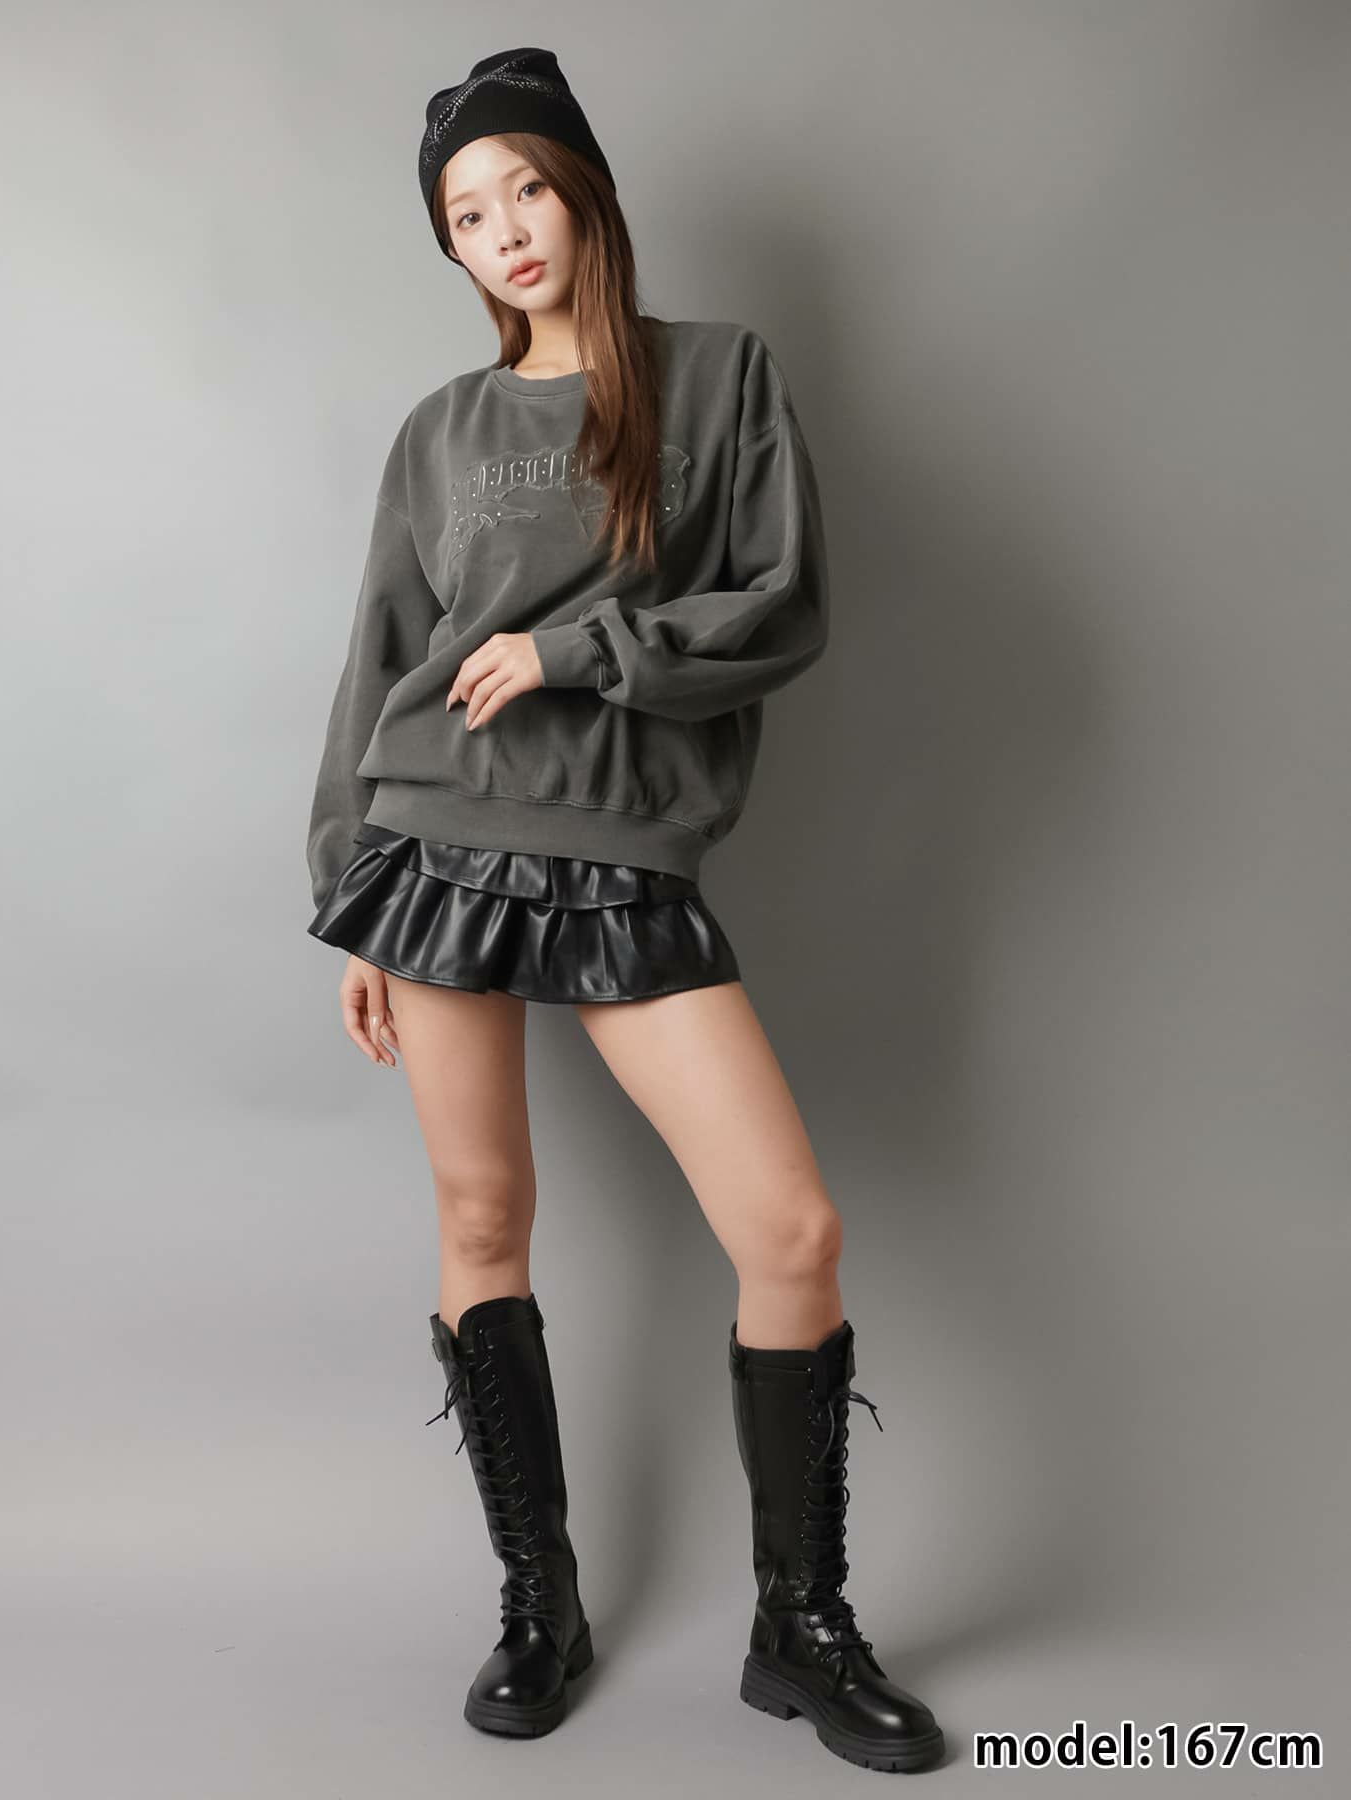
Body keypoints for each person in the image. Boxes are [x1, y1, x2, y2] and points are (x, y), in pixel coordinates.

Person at [304, 44, 945, 1775]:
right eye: (467, 214)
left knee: (790, 1230)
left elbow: (780, 604)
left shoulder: (717, 376)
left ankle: (798, 1626)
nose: (505, 229)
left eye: (526, 188)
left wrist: (578, 651)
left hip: (620, 852)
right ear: (449, 248)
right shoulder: (440, 432)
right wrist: (346, 895)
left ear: (584, 194)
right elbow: (375, 664)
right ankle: (542, 1603)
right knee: (483, 1217)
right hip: (434, 841)